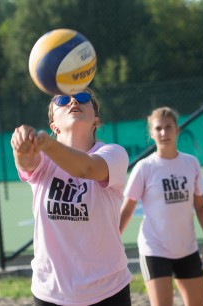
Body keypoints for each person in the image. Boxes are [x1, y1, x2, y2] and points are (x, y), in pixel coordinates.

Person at [10, 88, 132, 306]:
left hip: (107, 289)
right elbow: (27, 162)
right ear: (53, 125)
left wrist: (46, 143)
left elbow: (86, 169)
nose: (74, 100)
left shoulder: (114, 153)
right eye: (62, 100)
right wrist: (21, 147)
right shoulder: (44, 160)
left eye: (84, 98)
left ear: (96, 120)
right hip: (52, 291)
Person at [120, 106, 203, 306]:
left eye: (168, 127)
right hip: (155, 249)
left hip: (186, 248)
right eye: (158, 128)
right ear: (152, 134)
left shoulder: (191, 164)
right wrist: (112, 242)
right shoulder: (145, 168)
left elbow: (200, 206)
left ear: (177, 130)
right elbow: (127, 209)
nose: (164, 132)